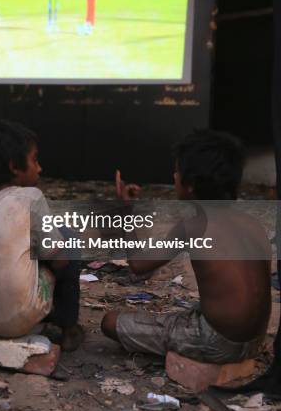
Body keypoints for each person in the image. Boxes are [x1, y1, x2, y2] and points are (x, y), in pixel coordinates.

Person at [101, 130, 272, 364]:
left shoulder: (194, 226)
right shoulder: (253, 223)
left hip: (218, 344)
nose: (174, 176)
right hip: (255, 341)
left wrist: (126, 211)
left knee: (110, 321)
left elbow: (138, 265)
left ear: (190, 185)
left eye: (178, 171)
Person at [0, 120, 84, 351]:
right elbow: (61, 262)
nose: (39, 168)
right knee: (68, 239)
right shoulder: (31, 198)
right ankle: (68, 327)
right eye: (35, 160)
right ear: (14, 167)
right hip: (19, 320)